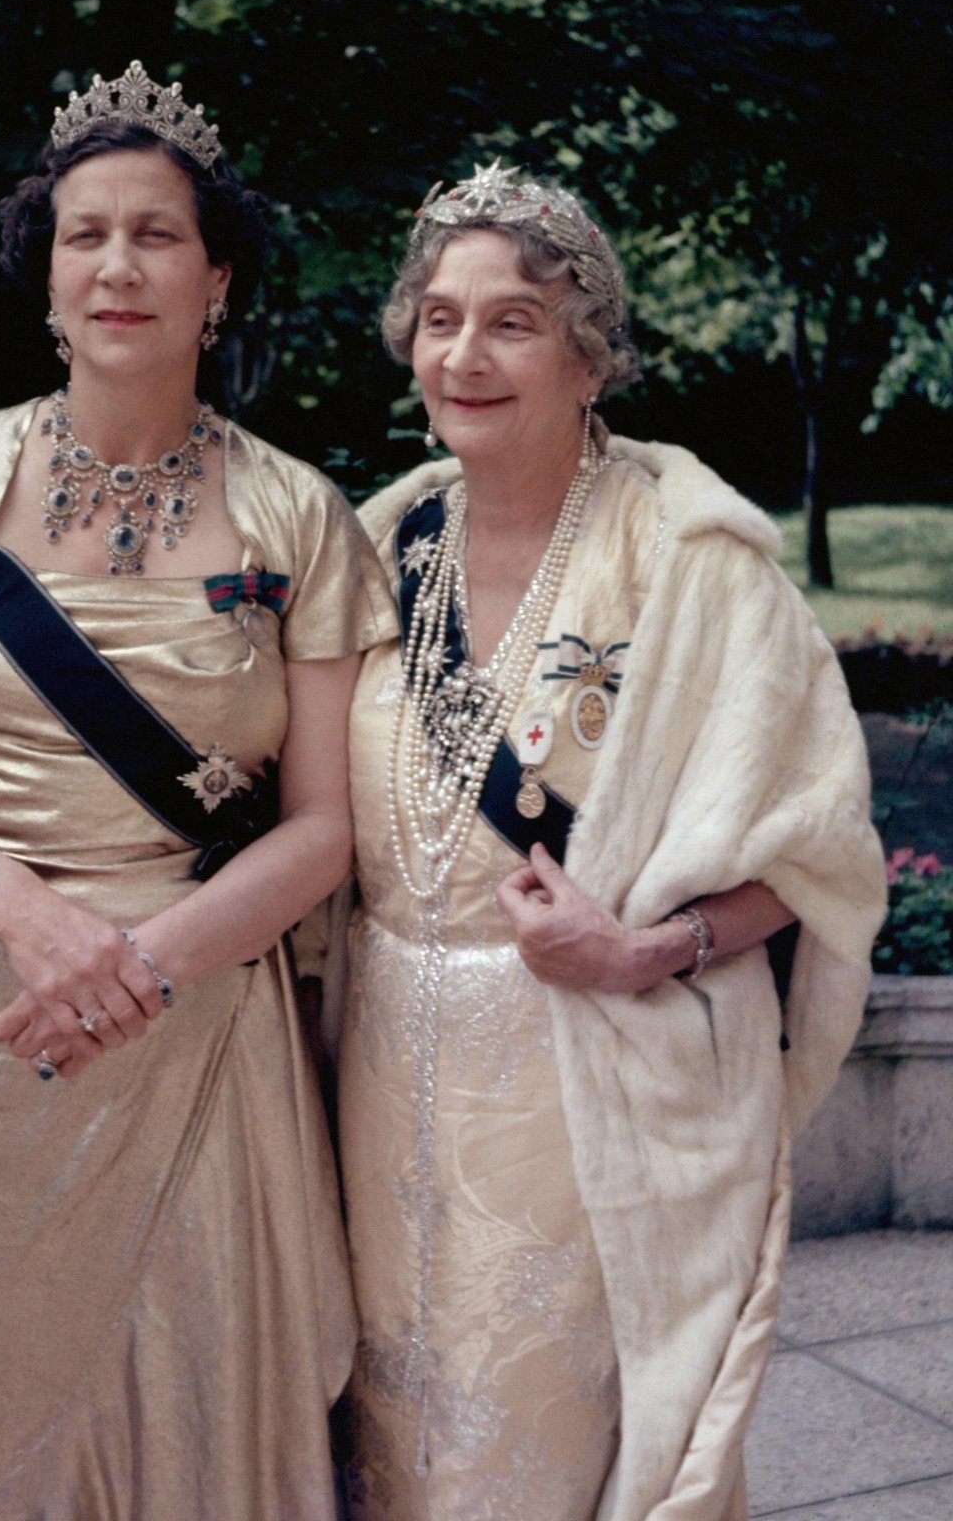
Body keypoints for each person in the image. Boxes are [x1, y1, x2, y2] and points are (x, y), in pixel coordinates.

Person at [0, 62, 394, 1520]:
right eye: (87, 233)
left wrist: (137, 961)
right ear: (47, 270)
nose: (118, 264)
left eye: (156, 234)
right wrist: (36, 922)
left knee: (195, 1409)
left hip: (197, 1022)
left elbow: (323, 824)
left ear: (217, 280)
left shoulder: (298, 511)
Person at [336, 161, 885, 1519]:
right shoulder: (379, 540)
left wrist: (649, 946)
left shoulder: (690, 554)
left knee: (567, 1450)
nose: (466, 353)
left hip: (594, 1087)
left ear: (593, 357)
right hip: (381, 1074)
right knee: (395, 1445)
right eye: (441, 317)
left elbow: (818, 840)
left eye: (514, 320)